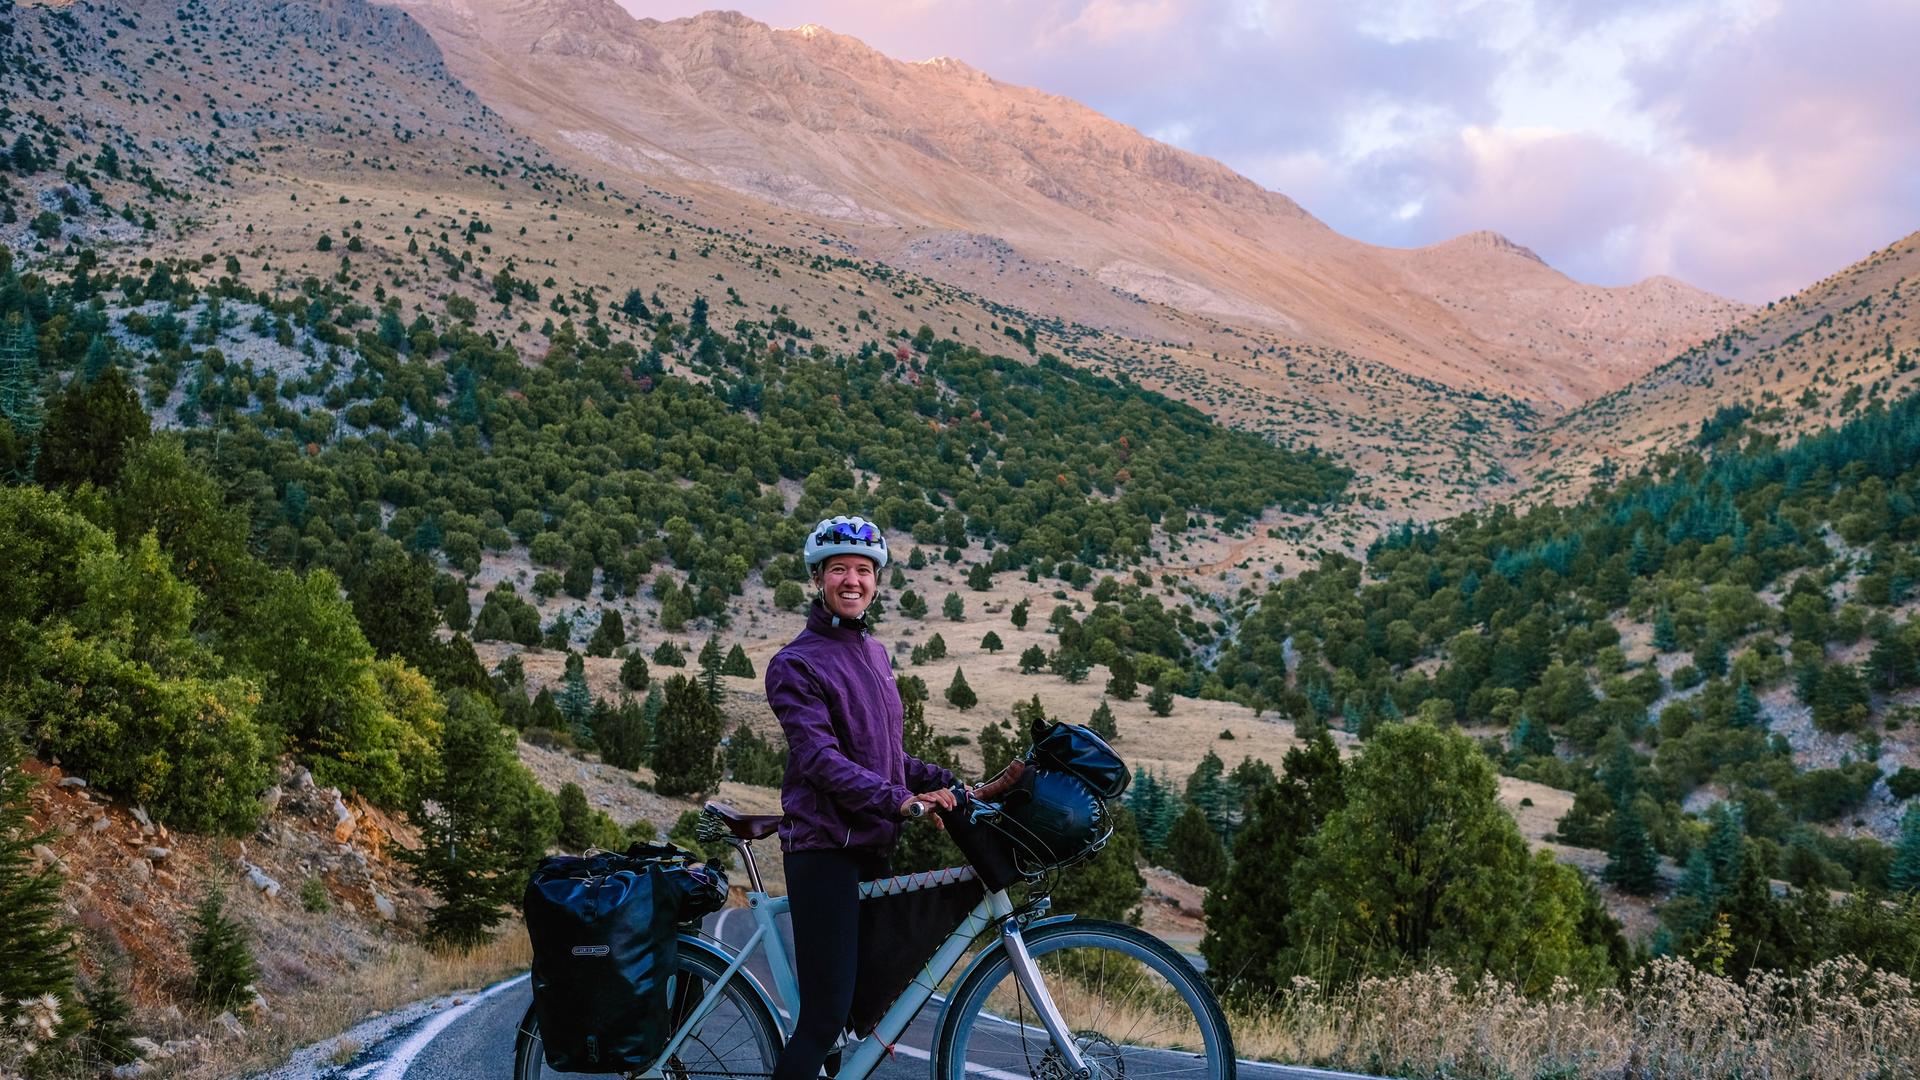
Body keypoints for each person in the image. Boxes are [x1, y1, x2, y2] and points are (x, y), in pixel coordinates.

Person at [764, 515, 1016, 1080]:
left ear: (876, 579)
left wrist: (952, 784)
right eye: (838, 570)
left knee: (861, 1012)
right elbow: (821, 762)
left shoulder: (873, 655)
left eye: (862, 570)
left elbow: (888, 757)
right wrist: (901, 802)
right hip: (825, 848)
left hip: (873, 843)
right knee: (824, 1021)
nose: (851, 580)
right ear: (817, 579)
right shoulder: (795, 663)